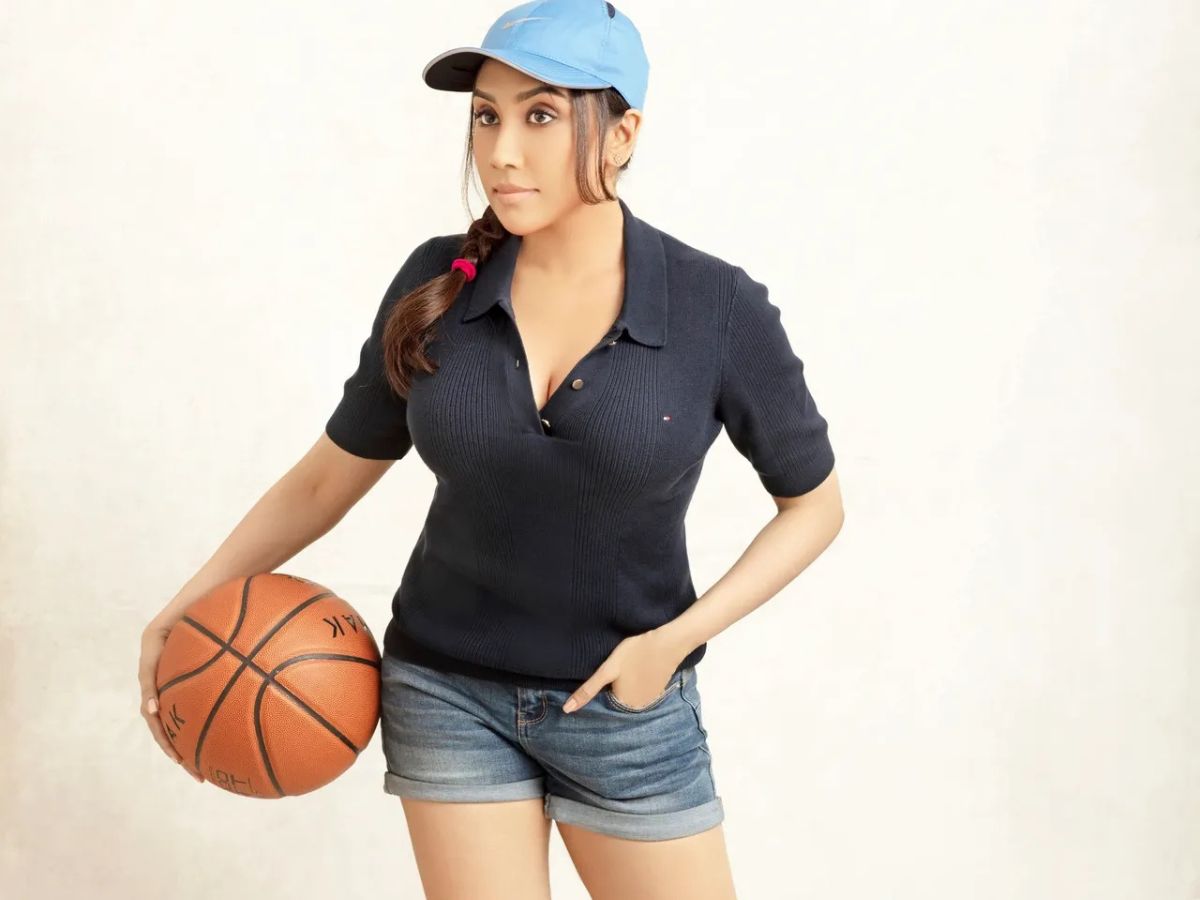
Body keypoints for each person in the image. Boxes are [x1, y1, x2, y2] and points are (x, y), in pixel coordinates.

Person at [139, 1, 843, 897]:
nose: (501, 151)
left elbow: (814, 507)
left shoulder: (717, 307)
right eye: (486, 116)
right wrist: (187, 605)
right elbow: (325, 480)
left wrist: (674, 641)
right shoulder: (437, 281)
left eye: (540, 115)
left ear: (622, 134)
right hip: (444, 697)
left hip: (625, 710)